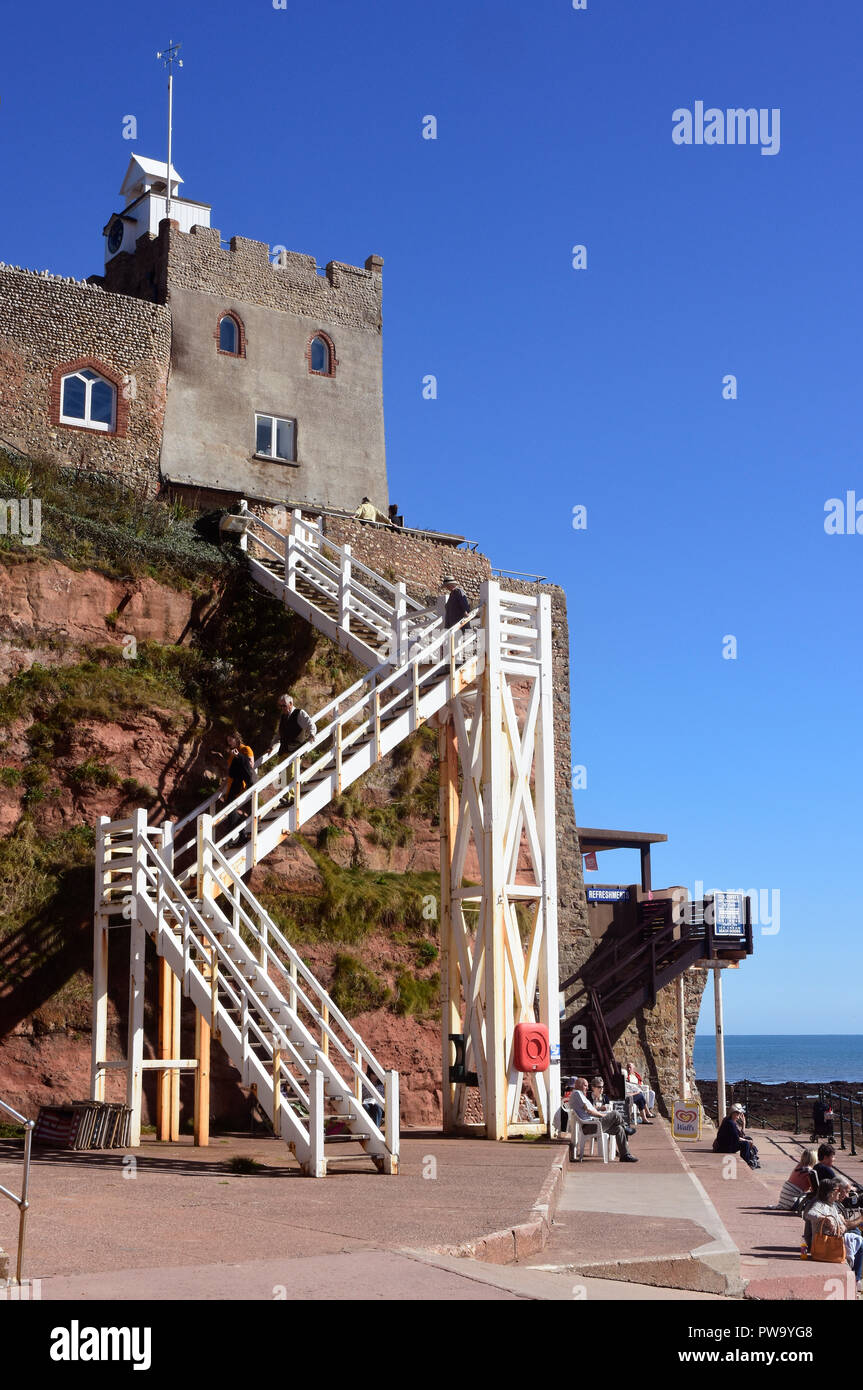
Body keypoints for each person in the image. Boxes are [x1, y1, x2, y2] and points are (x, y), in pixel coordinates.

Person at [567, 1076, 638, 1162]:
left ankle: (624, 1155)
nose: (587, 1087)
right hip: (590, 1126)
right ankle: (626, 1127)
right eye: (585, 1085)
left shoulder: (580, 1094)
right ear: (578, 1085)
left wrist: (601, 1112)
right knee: (615, 1114)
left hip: (593, 1124)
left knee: (619, 1129)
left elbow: (591, 1109)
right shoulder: (577, 1093)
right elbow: (589, 1110)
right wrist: (602, 1116)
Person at [806, 1177, 863, 1281]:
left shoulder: (831, 1205)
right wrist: (824, 1219)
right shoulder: (820, 1204)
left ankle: (856, 1276)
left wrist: (841, 1226)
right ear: (831, 1193)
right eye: (838, 1191)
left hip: (831, 1238)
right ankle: (856, 1279)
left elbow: (842, 1223)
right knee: (860, 1241)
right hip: (824, 1241)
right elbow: (809, 1214)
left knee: (857, 1237)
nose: (840, 1193)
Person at [220, 733, 255, 841]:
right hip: (232, 784)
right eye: (228, 741)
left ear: (237, 738)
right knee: (230, 809)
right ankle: (241, 833)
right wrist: (222, 786)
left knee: (231, 807)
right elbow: (230, 771)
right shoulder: (231, 754)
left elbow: (250, 765)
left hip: (241, 783)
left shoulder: (245, 749)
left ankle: (241, 833)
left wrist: (238, 756)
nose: (229, 742)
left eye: (231, 739)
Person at [712, 1102, 760, 1168]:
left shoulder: (731, 1121)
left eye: (739, 1113)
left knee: (748, 1139)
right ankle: (747, 1162)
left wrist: (743, 1124)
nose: (738, 1115)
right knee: (745, 1144)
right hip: (723, 1147)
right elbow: (737, 1138)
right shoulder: (730, 1123)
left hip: (727, 1143)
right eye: (737, 1113)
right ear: (732, 1113)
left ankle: (751, 1157)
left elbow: (741, 1135)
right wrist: (748, 1142)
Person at [776, 1147, 819, 1211]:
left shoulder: (799, 1167)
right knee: (815, 1202)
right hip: (792, 1202)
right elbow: (814, 1190)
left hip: (784, 1200)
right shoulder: (809, 1172)